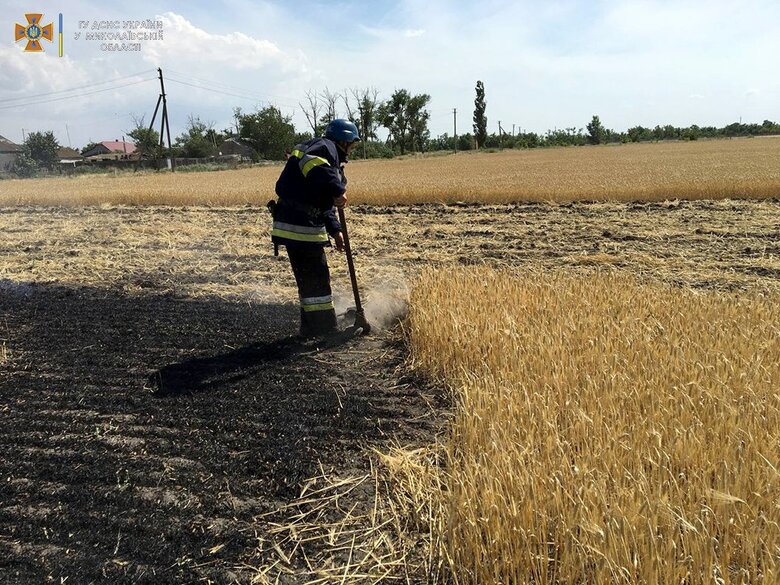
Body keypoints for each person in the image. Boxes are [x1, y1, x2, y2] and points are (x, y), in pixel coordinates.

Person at [271, 119, 361, 338]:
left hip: (295, 224)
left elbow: (324, 202)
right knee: (317, 279)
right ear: (344, 140)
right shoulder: (323, 147)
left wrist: (335, 230)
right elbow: (314, 165)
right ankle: (324, 329)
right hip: (301, 226)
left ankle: (310, 328)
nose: (352, 150)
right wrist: (338, 189)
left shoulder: (331, 165)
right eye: (352, 144)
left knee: (308, 280)